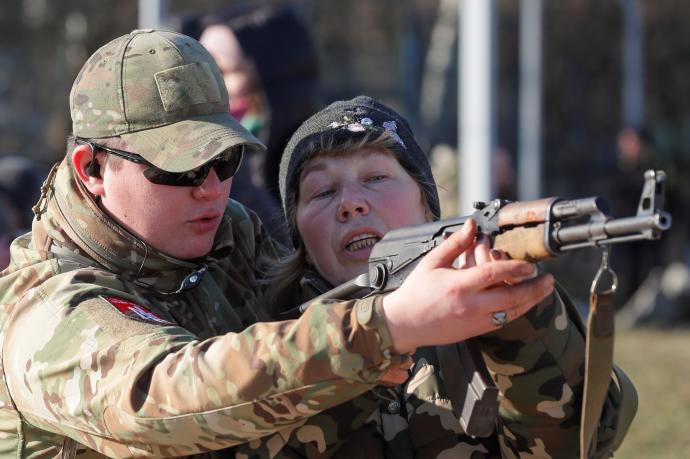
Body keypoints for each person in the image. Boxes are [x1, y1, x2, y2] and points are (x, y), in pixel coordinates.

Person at [0, 30, 553, 458]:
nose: (212, 188)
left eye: (224, 160)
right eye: (179, 169)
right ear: (92, 169)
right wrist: (388, 325)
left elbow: (315, 313)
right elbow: (161, 397)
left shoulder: (225, 233)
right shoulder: (48, 309)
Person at [243, 96, 631, 458]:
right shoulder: (271, 347)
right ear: (300, 241)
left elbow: (573, 444)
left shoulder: (493, 315)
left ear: (427, 206)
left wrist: (516, 323)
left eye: (376, 177)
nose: (351, 203)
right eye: (323, 190)